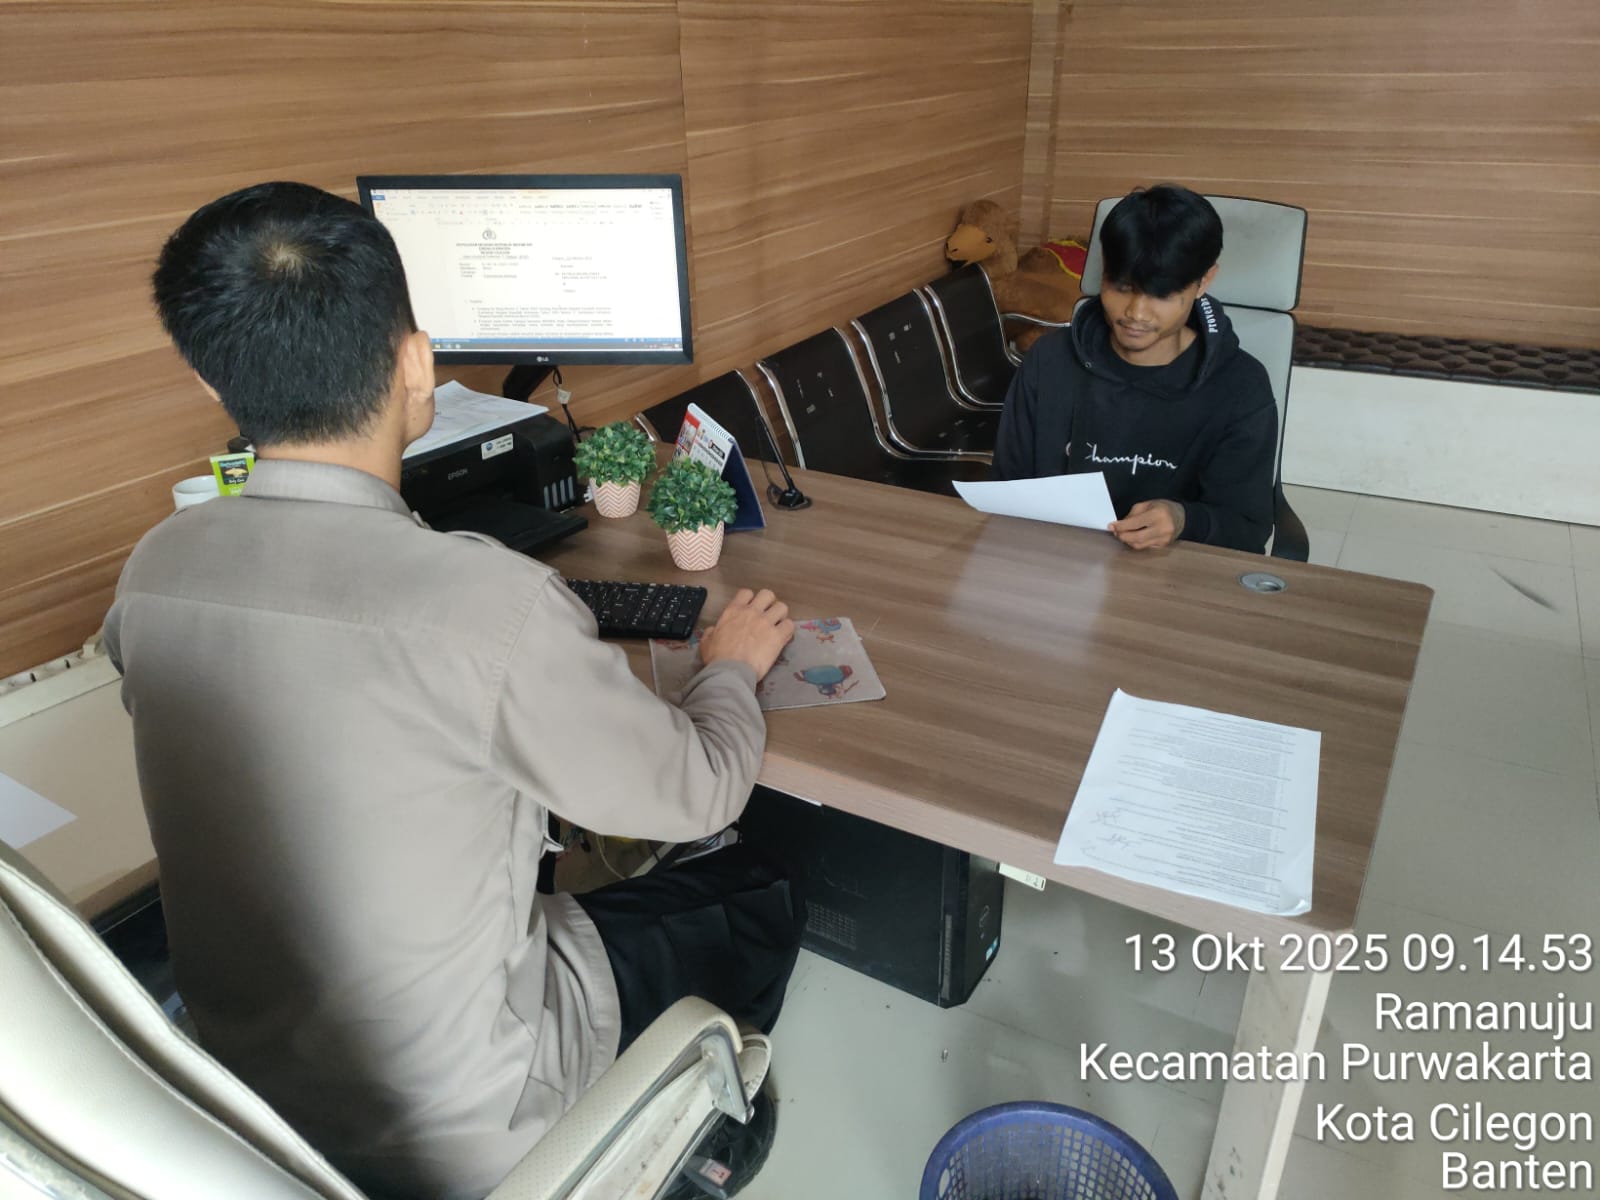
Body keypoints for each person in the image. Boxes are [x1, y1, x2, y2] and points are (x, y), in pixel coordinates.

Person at [101, 181, 801, 1200]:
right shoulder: (487, 606)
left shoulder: (154, 569)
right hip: (475, 1133)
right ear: (418, 363)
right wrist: (728, 667)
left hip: (250, 1112)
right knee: (758, 889)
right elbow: (700, 791)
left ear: (214, 382)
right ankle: (693, 1135)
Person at [992, 184, 1277, 553]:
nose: (1136, 313)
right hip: (1052, 561)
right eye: (1122, 287)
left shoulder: (1241, 387)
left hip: (1169, 575)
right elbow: (1008, 488)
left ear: (1204, 281)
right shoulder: (1049, 362)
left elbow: (1247, 529)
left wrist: (1183, 519)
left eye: (1161, 294)